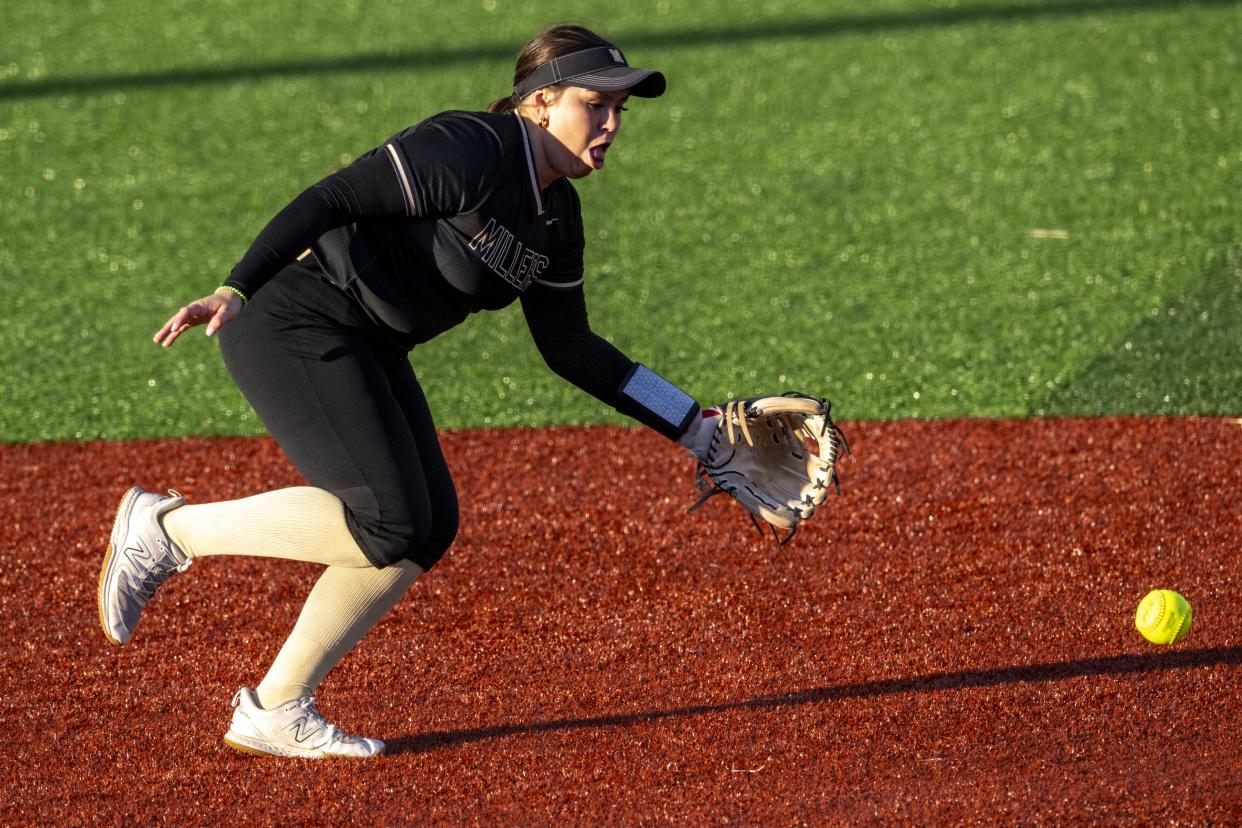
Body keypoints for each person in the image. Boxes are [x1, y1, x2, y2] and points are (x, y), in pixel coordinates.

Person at [98, 24, 719, 759]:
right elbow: (330, 197)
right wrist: (236, 284)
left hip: (370, 343)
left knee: (427, 528)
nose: (613, 124)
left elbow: (572, 349)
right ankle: (167, 532)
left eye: (622, 109)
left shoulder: (557, 218)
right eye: (597, 104)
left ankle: (275, 706)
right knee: (390, 519)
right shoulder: (473, 147)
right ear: (541, 102)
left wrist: (693, 425)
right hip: (291, 318)